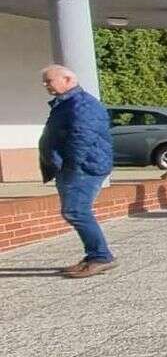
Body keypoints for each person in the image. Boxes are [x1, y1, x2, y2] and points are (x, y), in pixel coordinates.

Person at [37, 65, 115, 278]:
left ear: (68, 79)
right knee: (75, 211)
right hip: (75, 166)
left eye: (49, 81)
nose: (45, 85)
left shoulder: (82, 105)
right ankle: (94, 256)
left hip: (83, 168)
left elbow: (82, 138)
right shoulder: (67, 103)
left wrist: (70, 165)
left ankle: (101, 257)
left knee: (76, 211)